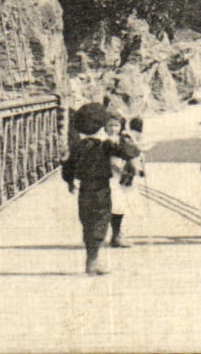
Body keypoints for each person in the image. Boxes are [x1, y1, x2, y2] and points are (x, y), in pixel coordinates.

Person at [62, 102, 139, 275]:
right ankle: (93, 261)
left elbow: (68, 167)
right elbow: (130, 153)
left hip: (84, 190)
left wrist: (69, 182)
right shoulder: (105, 145)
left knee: (87, 222)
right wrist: (122, 139)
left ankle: (91, 258)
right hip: (101, 189)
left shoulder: (79, 146)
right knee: (100, 221)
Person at [105, 115, 146, 247]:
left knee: (120, 204)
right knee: (114, 204)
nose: (113, 129)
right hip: (109, 175)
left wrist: (137, 161)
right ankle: (115, 234)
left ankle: (117, 234)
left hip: (122, 176)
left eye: (115, 125)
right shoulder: (104, 140)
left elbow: (134, 153)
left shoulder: (124, 139)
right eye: (110, 125)